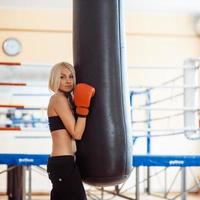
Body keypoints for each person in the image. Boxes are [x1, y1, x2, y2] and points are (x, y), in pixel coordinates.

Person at [47, 62, 95, 200]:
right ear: (55, 79)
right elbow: (76, 133)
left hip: (64, 162)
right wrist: (83, 108)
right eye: (62, 77)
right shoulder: (58, 99)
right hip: (62, 163)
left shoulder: (66, 100)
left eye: (71, 76)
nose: (68, 80)